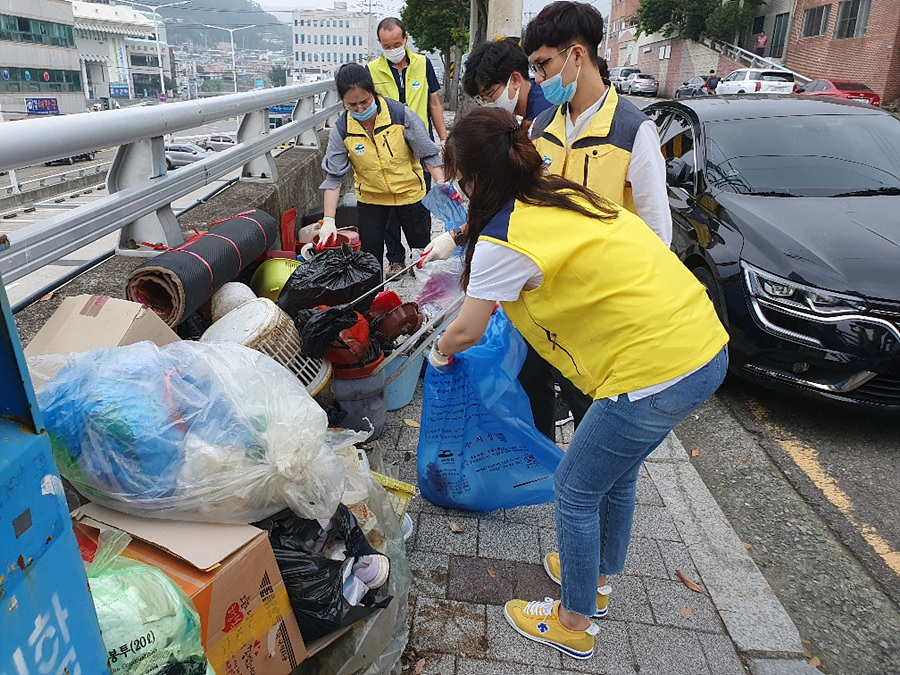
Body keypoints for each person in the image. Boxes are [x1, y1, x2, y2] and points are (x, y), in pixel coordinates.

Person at [429, 106, 728, 660]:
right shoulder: (558, 192)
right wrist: (461, 237)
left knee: (575, 489)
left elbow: (468, 328)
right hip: (701, 342)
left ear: (471, 180)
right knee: (616, 475)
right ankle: (598, 580)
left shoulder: (504, 239)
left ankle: (573, 622)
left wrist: (440, 350)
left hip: (653, 368)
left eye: (457, 179)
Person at [319, 63, 444, 268]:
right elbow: (334, 177)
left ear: (373, 93)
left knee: (424, 253)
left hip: (409, 193)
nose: (360, 108)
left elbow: (428, 153)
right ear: (343, 102)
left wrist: (441, 184)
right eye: (352, 105)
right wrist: (329, 220)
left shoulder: (400, 115)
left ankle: (428, 294)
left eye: (365, 102)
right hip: (371, 197)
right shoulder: (342, 130)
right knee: (369, 261)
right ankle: (375, 297)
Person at [368, 17, 449, 276]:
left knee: (420, 201)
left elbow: (433, 104)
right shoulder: (372, 70)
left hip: (421, 144)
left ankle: (421, 251)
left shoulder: (423, 64)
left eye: (396, 43)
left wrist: (444, 139)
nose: (392, 49)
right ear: (380, 44)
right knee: (391, 203)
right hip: (388, 148)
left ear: (405, 39)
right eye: (386, 45)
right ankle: (395, 258)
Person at [463, 38, 553, 122]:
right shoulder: (520, 114)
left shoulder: (543, 118)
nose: (487, 104)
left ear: (515, 80)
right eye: (482, 100)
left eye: (489, 95)